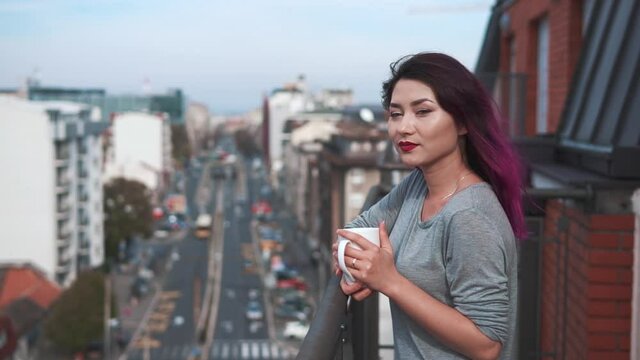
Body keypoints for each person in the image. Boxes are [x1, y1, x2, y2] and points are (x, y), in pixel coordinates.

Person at [332, 52, 526, 360]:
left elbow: (487, 344)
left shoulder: (469, 215)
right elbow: (359, 229)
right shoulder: (418, 185)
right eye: (396, 114)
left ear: (462, 121)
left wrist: (389, 281)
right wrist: (354, 260)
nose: (403, 128)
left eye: (422, 112)